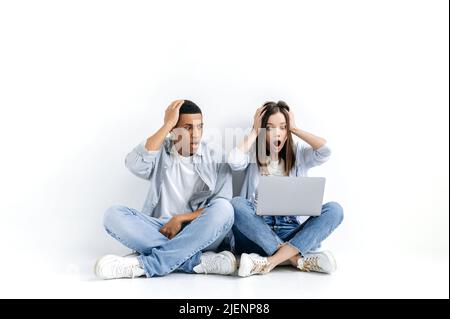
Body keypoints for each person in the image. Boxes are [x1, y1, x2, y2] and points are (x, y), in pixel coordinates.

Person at [95, 100, 236, 279]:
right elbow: (134, 163)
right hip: (161, 229)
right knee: (112, 214)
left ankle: (144, 265)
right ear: (173, 130)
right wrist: (167, 123)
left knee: (225, 209)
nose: (196, 135)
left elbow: (222, 203)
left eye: (200, 127)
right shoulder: (161, 150)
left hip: (198, 231)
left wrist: (181, 218)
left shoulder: (217, 156)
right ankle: (197, 262)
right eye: (187, 128)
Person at [228, 101, 344, 277]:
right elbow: (234, 160)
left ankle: (270, 261)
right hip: (256, 231)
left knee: (335, 209)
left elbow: (325, 151)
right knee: (236, 204)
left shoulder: (299, 154)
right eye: (270, 127)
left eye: (282, 127)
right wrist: (254, 131)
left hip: (289, 229)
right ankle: (295, 259)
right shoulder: (253, 152)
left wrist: (295, 128)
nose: (277, 133)